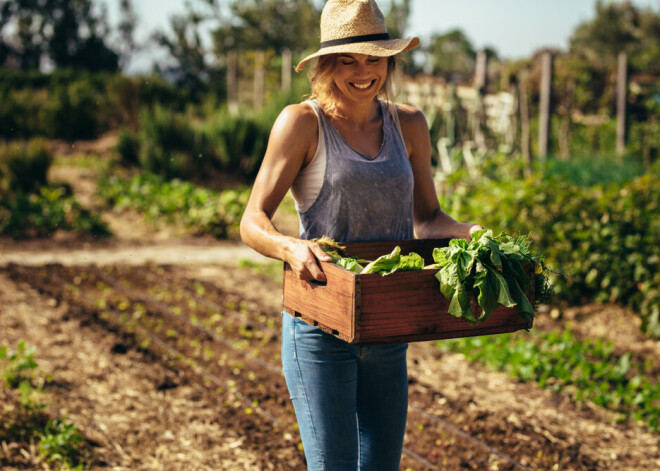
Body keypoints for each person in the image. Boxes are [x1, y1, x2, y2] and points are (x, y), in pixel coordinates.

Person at [239, 0, 481, 469]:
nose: (363, 71)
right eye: (348, 59)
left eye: (374, 58)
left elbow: (427, 219)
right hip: (319, 326)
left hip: (387, 325)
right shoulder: (302, 123)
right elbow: (252, 220)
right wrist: (290, 246)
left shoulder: (408, 124)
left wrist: (476, 233)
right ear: (326, 64)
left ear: (389, 60)